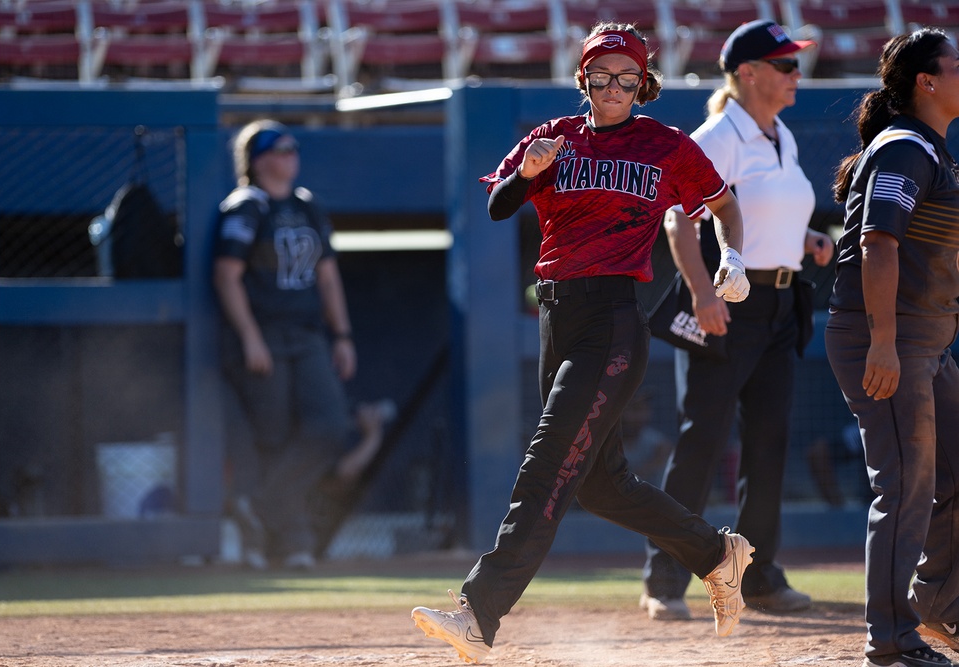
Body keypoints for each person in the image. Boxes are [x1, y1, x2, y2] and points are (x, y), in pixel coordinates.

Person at [411, 22, 756, 664]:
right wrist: (527, 174)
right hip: (558, 315)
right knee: (600, 485)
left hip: (613, 320)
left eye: (629, 75)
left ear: (644, 81)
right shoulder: (554, 140)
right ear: (584, 79)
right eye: (603, 73)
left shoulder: (666, 145)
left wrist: (731, 258)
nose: (616, 85)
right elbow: (498, 206)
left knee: (547, 464)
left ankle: (477, 613)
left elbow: (724, 206)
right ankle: (717, 553)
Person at [642, 19, 833, 619]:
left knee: (768, 441)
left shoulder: (780, 135)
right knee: (701, 438)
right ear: (747, 73)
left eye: (796, 64)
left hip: (780, 299)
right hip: (729, 302)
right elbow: (678, 218)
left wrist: (803, 238)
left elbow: (762, 208)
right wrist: (702, 292)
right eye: (785, 65)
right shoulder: (720, 134)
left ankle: (760, 575)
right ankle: (663, 579)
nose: (796, 74)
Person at [826, 27, 959, 667]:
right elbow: (880, 243)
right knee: (904, 485)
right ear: (925, 82)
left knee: (953, 472)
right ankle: (892, 636)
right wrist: (883, 343)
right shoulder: (906, 147)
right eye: (956, 66)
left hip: (926, 339)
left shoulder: (931, 150)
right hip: (888, 337)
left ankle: (940, 607)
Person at [213, 119, 359, 571]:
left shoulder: (307, 205)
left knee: (330, 427)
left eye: (294, 147)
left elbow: (328, 277)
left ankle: (255, 506)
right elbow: (227, 276)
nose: (291, 155)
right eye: (280, 148)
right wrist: (250, 338)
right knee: (273, 437)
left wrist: (342, 335)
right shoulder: (245, 208)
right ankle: (289, 541)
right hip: (265, 336)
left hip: (307, 334)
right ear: (257, 160)